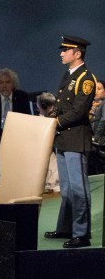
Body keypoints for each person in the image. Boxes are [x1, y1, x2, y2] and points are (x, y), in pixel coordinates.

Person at [45, 36, 97, 248]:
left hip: (75, 138)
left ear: (77, 53)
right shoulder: (69, 74)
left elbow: (78, 111)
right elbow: (60, 104)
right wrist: (51, 119)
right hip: (64, 138)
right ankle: (66, 227)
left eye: (65, 50)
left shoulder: (85, 78)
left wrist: (55, 122)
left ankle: (81, 233)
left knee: (78, 188)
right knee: (66, 189)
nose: (61, 53)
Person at [0, 68, 31, 138]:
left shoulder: (22, 97)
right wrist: (5, 135)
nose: (4, 86)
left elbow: (27, 121)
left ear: (13, 84)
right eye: (1, 82)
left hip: (18, 136)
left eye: (8, 82)